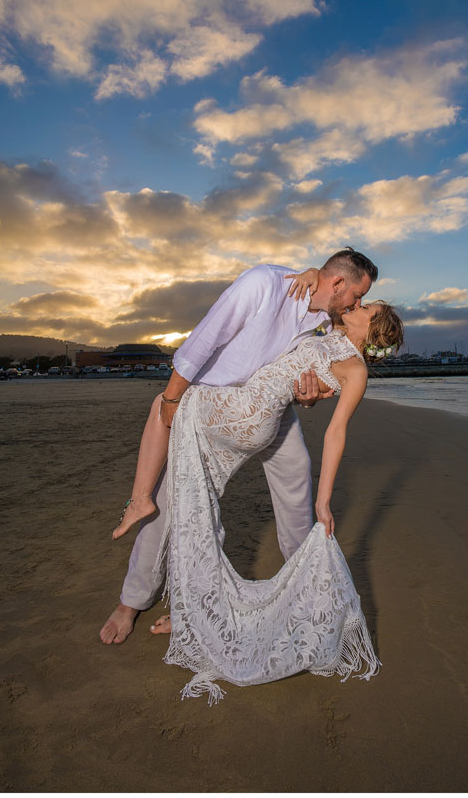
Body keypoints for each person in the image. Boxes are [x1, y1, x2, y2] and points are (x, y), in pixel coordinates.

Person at [121, 300, 404, 704]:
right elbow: (312, 312)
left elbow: (336, 433)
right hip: (253, 412)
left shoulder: (355, 371)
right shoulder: (329, 331)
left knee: (168, 404)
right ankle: (193, 613)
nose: (356, 305)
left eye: (366, 307)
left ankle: (140, 503)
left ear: (374, 327)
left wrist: (323, 502)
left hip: (249, 413)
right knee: (192, 492)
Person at [100, 248, 378, 645]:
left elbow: (320, 371)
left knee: (297, 480)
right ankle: (133, 600)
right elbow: (203, 339)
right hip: (217, 400)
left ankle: (303, 589)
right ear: (337, 284)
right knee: (171, 494)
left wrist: (308, 396)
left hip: (270, 409)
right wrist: (173, 399)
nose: (357, 304)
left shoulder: (325, 318)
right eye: (357, 295)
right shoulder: (264, 284)